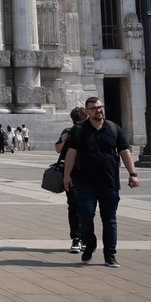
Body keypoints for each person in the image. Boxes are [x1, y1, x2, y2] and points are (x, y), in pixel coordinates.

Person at [63, 97, 139, 268]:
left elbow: (124, 151)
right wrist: (66, 175)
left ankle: (110, 254)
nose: (99, 110)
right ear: (87, 111)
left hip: (109, 182)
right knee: (85, 216)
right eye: (94, 108)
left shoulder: (113, 128)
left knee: (110, 220)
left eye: (100, 107)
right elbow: (71, 154)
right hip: (85, 182)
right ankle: (89, 246)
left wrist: (132, 173)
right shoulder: (79, 129)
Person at [55, 106, 88, 253]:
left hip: (86, 173)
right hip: (73, 173)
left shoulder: (91, 131)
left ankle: (83, 238)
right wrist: (63, 140)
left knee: (84, 207)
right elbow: (58, 149)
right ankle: (77, 238)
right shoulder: (68, 132)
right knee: (74, 205)